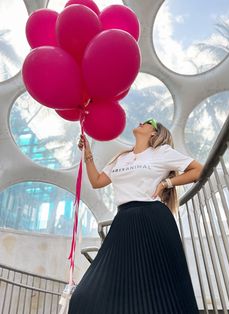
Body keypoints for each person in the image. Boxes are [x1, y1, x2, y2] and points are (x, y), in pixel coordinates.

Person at [68, 118, 203, 314]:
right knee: (84, 296)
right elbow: (97, 181)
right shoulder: (121, 157)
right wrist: (87, 153)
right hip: (123, 221)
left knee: (161, 287)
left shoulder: (162, 152)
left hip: (153, 219)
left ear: (155, 133)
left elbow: (198, 170)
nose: (142, 122)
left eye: (149, 122)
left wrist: (167, 183)